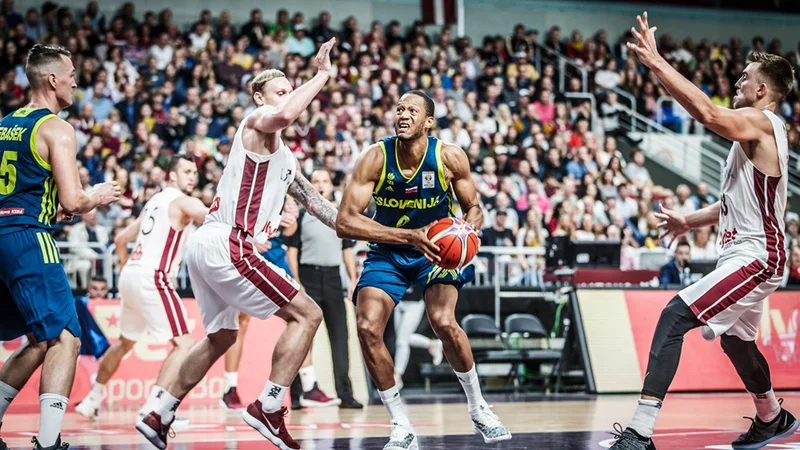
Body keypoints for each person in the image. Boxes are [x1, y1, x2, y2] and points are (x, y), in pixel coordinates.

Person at [136, 38, 340, 450]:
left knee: (221, 337)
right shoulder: (256, 121)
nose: (286, 97)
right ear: (259, 97)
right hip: (227, 242)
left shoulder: (285, 157)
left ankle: (160, 411)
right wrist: (322, 75)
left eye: (289, 89)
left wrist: (375, 232)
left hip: (211, 244)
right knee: (307, 315)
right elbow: (282, 114)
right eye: (279, 91)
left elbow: (318, 204)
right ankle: (268, 405)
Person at [610, 12, 798, 450]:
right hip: (749, 251)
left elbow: (706, 112)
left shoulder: (761, 123)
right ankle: (771, 416)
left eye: (745, 78)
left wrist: (657, 64)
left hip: (758, 255)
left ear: (763, 90)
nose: (738, 82)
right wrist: (687, 220)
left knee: (674, 316)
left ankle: (639, 433)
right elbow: (733, 203)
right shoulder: (753, 137)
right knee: (735, 340)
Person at [336, 90, 511, 450]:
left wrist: (467, 231)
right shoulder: (375, 158)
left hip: (437, 252)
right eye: (398, 108)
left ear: (428, 122)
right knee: (367, 327)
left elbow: (473, 207)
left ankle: (479, 408)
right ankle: (401, 424)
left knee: (443, 322)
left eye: (412, 110)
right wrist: (407, 236)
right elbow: (344, 222)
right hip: (389, 250)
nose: (402, 114)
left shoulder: (448, 156)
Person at [0, 44, 120, 450]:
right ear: (53, 80)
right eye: (70, 73)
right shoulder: (56, 127)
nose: (75, 81)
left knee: (38, 340)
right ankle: (49, 442)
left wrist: (51, 208)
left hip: (3, 235)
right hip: (28, 238)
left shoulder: (5, 123)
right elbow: (73, 200)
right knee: (66, 335)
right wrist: (96, 195)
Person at [75, 155, 207, 423]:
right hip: (153, 276)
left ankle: (92, 400)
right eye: (186, 171)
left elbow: (121, 238)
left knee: (125, 342)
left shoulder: (153, 202)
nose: (192, 176)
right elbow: (212, 218)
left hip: (132, 275)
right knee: (184, 344)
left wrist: (126, 268)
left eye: (194, 171)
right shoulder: (184, 201)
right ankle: (155, 409)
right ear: (171, 175)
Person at [286, 169, 362, 409]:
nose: (320, 185)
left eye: (324, 181)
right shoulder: (300, 214)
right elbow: (292, 250)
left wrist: (352, 279)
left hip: (332, 279)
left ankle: (345, 394)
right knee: (302, 336)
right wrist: (297, 281)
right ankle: (297, 394)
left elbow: (346, 250)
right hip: (308, 276)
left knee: (340, 336)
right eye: (315, 181)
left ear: (331, 186)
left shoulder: (340, 215)